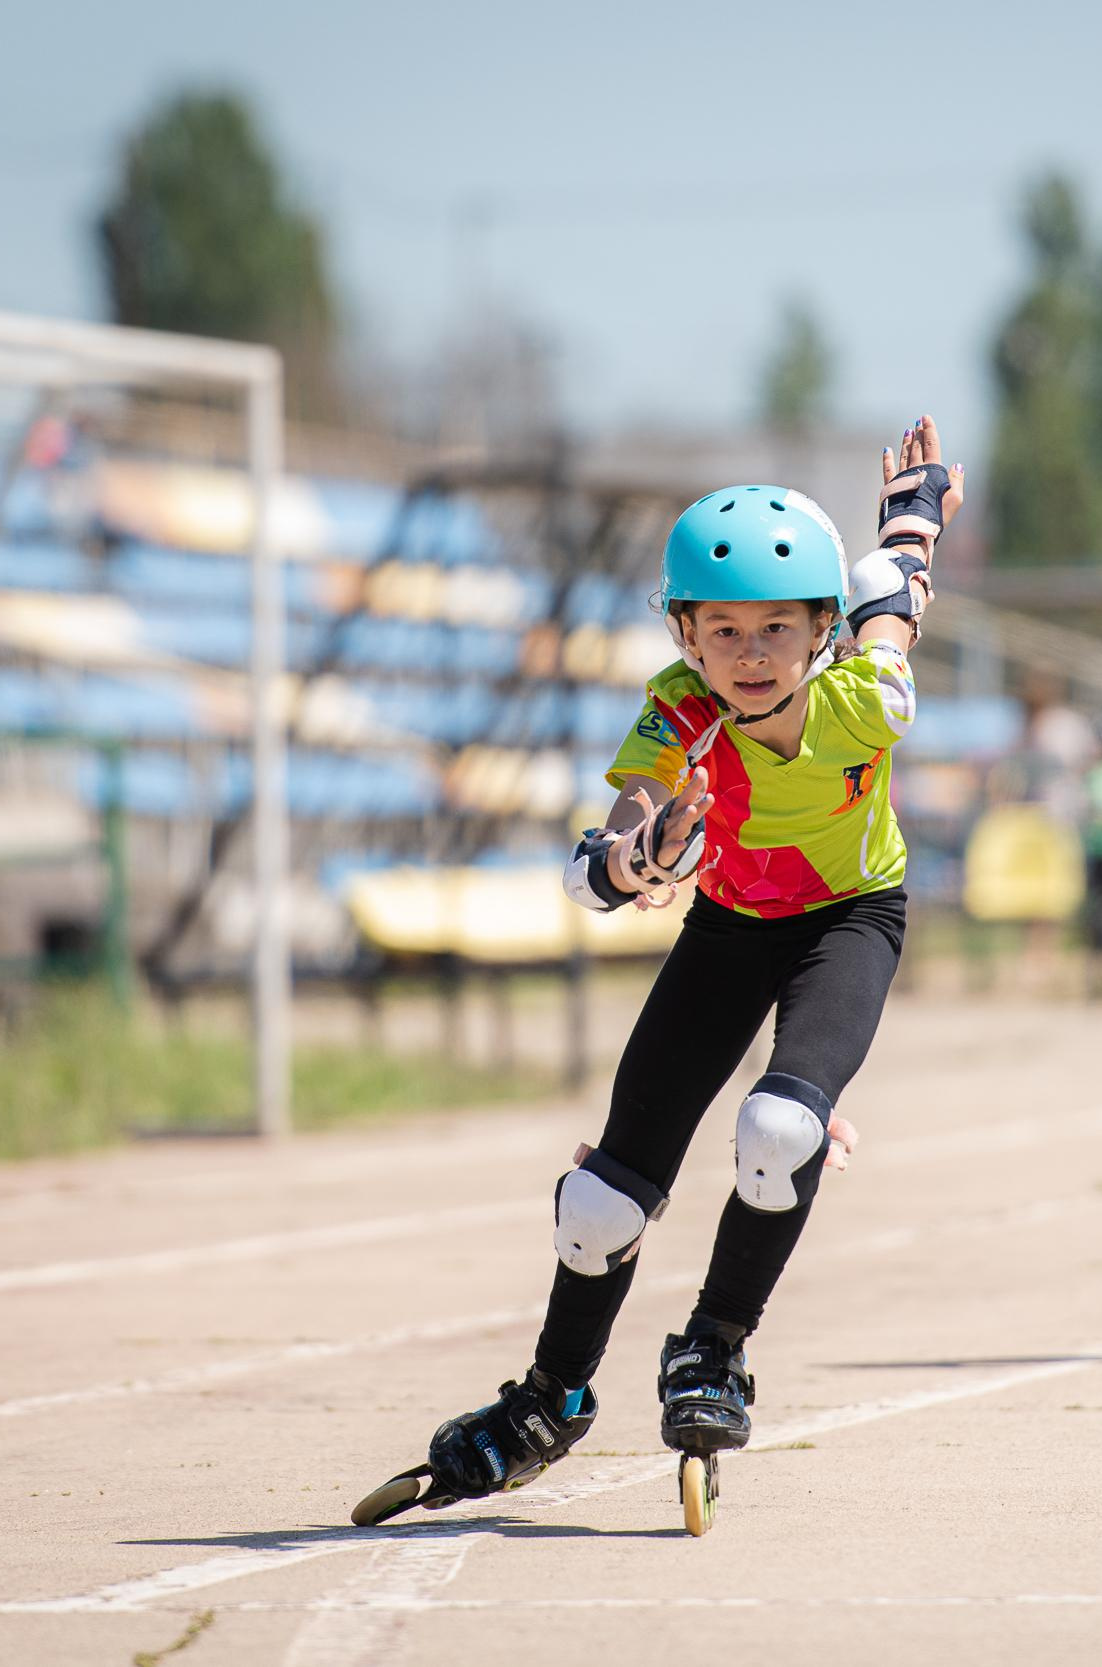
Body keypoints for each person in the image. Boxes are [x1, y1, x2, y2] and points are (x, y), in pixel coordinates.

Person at [360, 421, 961, 1533]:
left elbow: (897, 592)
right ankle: (549, 1398)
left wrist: (913, 514)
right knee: (597, 1205)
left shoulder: (866, 696)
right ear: (683, 633)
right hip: (728, 926)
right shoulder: (676, 710)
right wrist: (633, 856)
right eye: (720, 628)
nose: (749, 652)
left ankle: (715, 1349)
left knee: (779, 1133)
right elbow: (616, 834)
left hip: (848, 922)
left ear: (818, 631)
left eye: (776, 627)